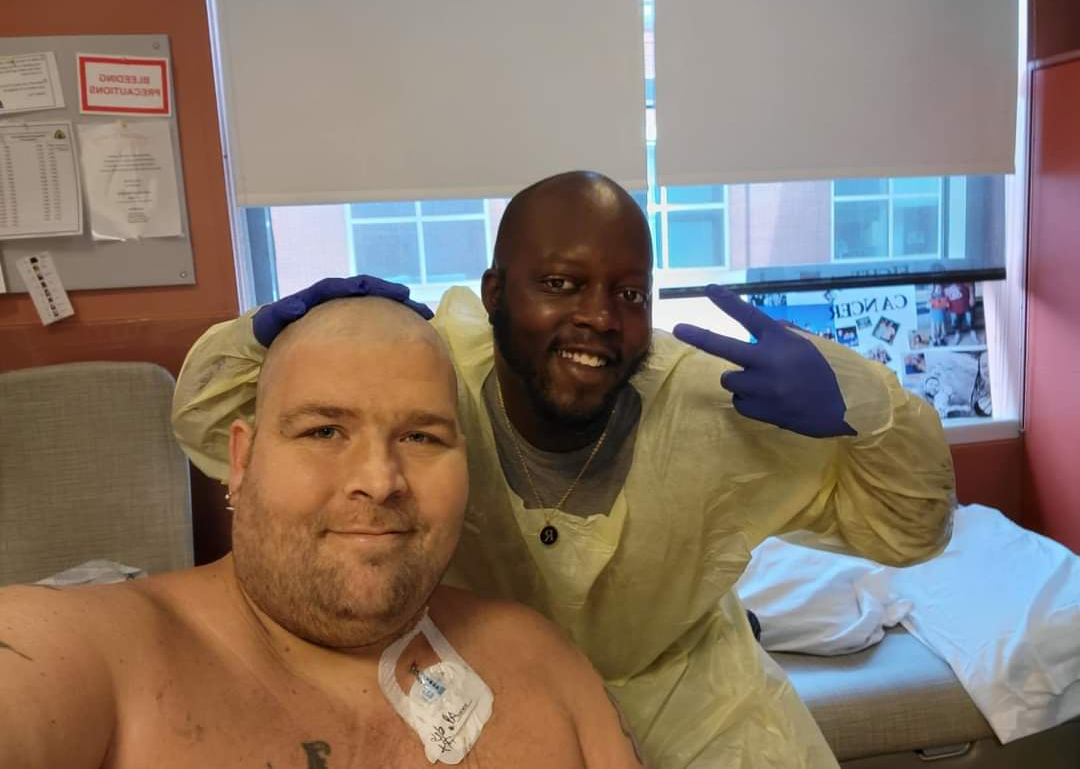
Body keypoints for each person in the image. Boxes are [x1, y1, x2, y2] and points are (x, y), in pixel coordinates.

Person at [172, 171, 956, 768]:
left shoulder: (715, 409)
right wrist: (255, 343)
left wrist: (868, 403)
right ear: (494, 293)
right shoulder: (427, 386)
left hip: (703, 710)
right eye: (560, 284)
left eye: (628, 292)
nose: (599, 317)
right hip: (498, 699)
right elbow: (214, 432)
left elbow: (912, 528)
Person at [0, 297, 644, 769]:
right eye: (324, 431)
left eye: (421, 436)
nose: (379, 479)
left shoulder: (541, 659)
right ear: (243, 460)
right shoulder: (93, 659)